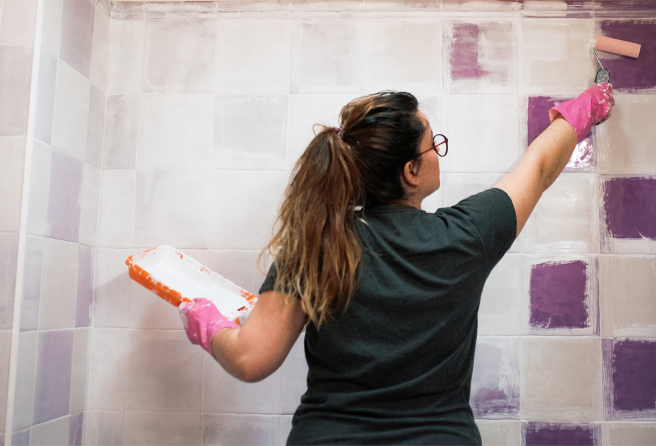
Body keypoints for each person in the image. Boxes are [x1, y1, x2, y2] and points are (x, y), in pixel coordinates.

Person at [180, 84, 614, 445]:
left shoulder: (317, 244)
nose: (437, 153)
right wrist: (579, 114)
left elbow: (252, 358)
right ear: (410, 170)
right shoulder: (466, 237)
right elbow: (537, 168)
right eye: (433, 146)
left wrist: (210, 326)